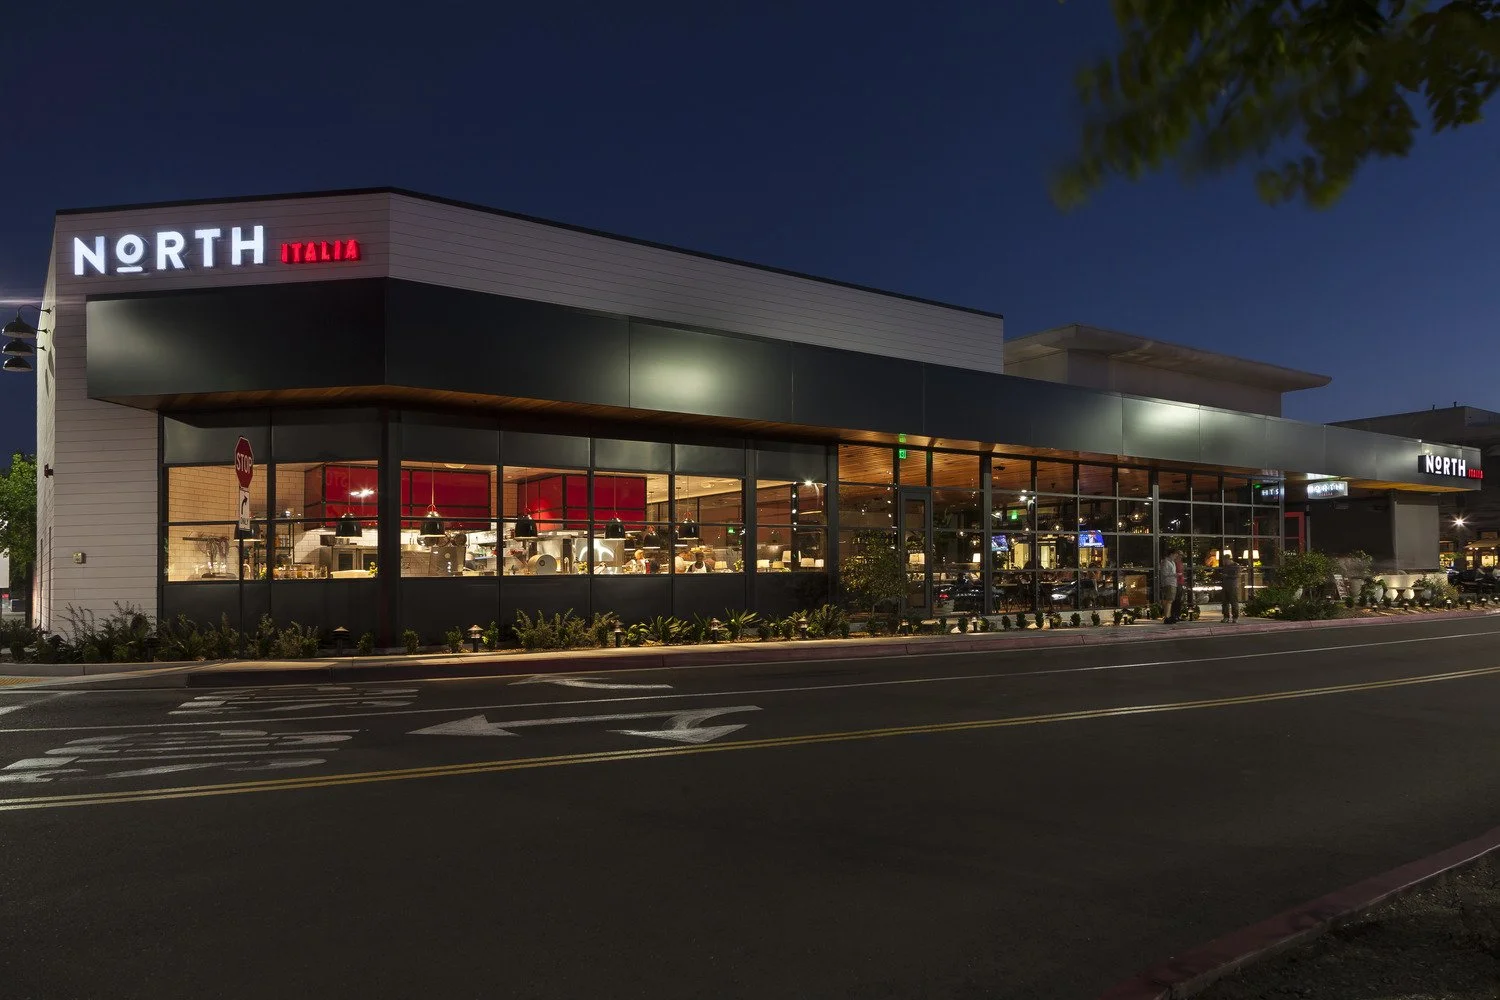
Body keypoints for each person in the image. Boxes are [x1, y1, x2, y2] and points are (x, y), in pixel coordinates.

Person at [1219, 554, 1242, 622]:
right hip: (1225, 585)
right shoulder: (1225, 566)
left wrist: (1227, 575)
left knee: (1233, 601)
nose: (1224, 562)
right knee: (1224, 602)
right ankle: (1226, 617)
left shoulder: (1236, 565)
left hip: (1232, 585)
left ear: (1228, 559)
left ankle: (1235, 617)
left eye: (1224, 560)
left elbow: (1238, 575)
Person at [1159, 550, 1179, 623]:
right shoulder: (1166, 562)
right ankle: (1167, 617)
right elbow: (1164, 573)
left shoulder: (1172, 562)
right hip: (1168, 583)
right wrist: (1174, 575)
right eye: (1175, 555)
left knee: (1169, 600)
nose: (1176, 557)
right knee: (1169, 600)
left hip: (1172, 582)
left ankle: (1168, 616)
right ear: (1171, 554)